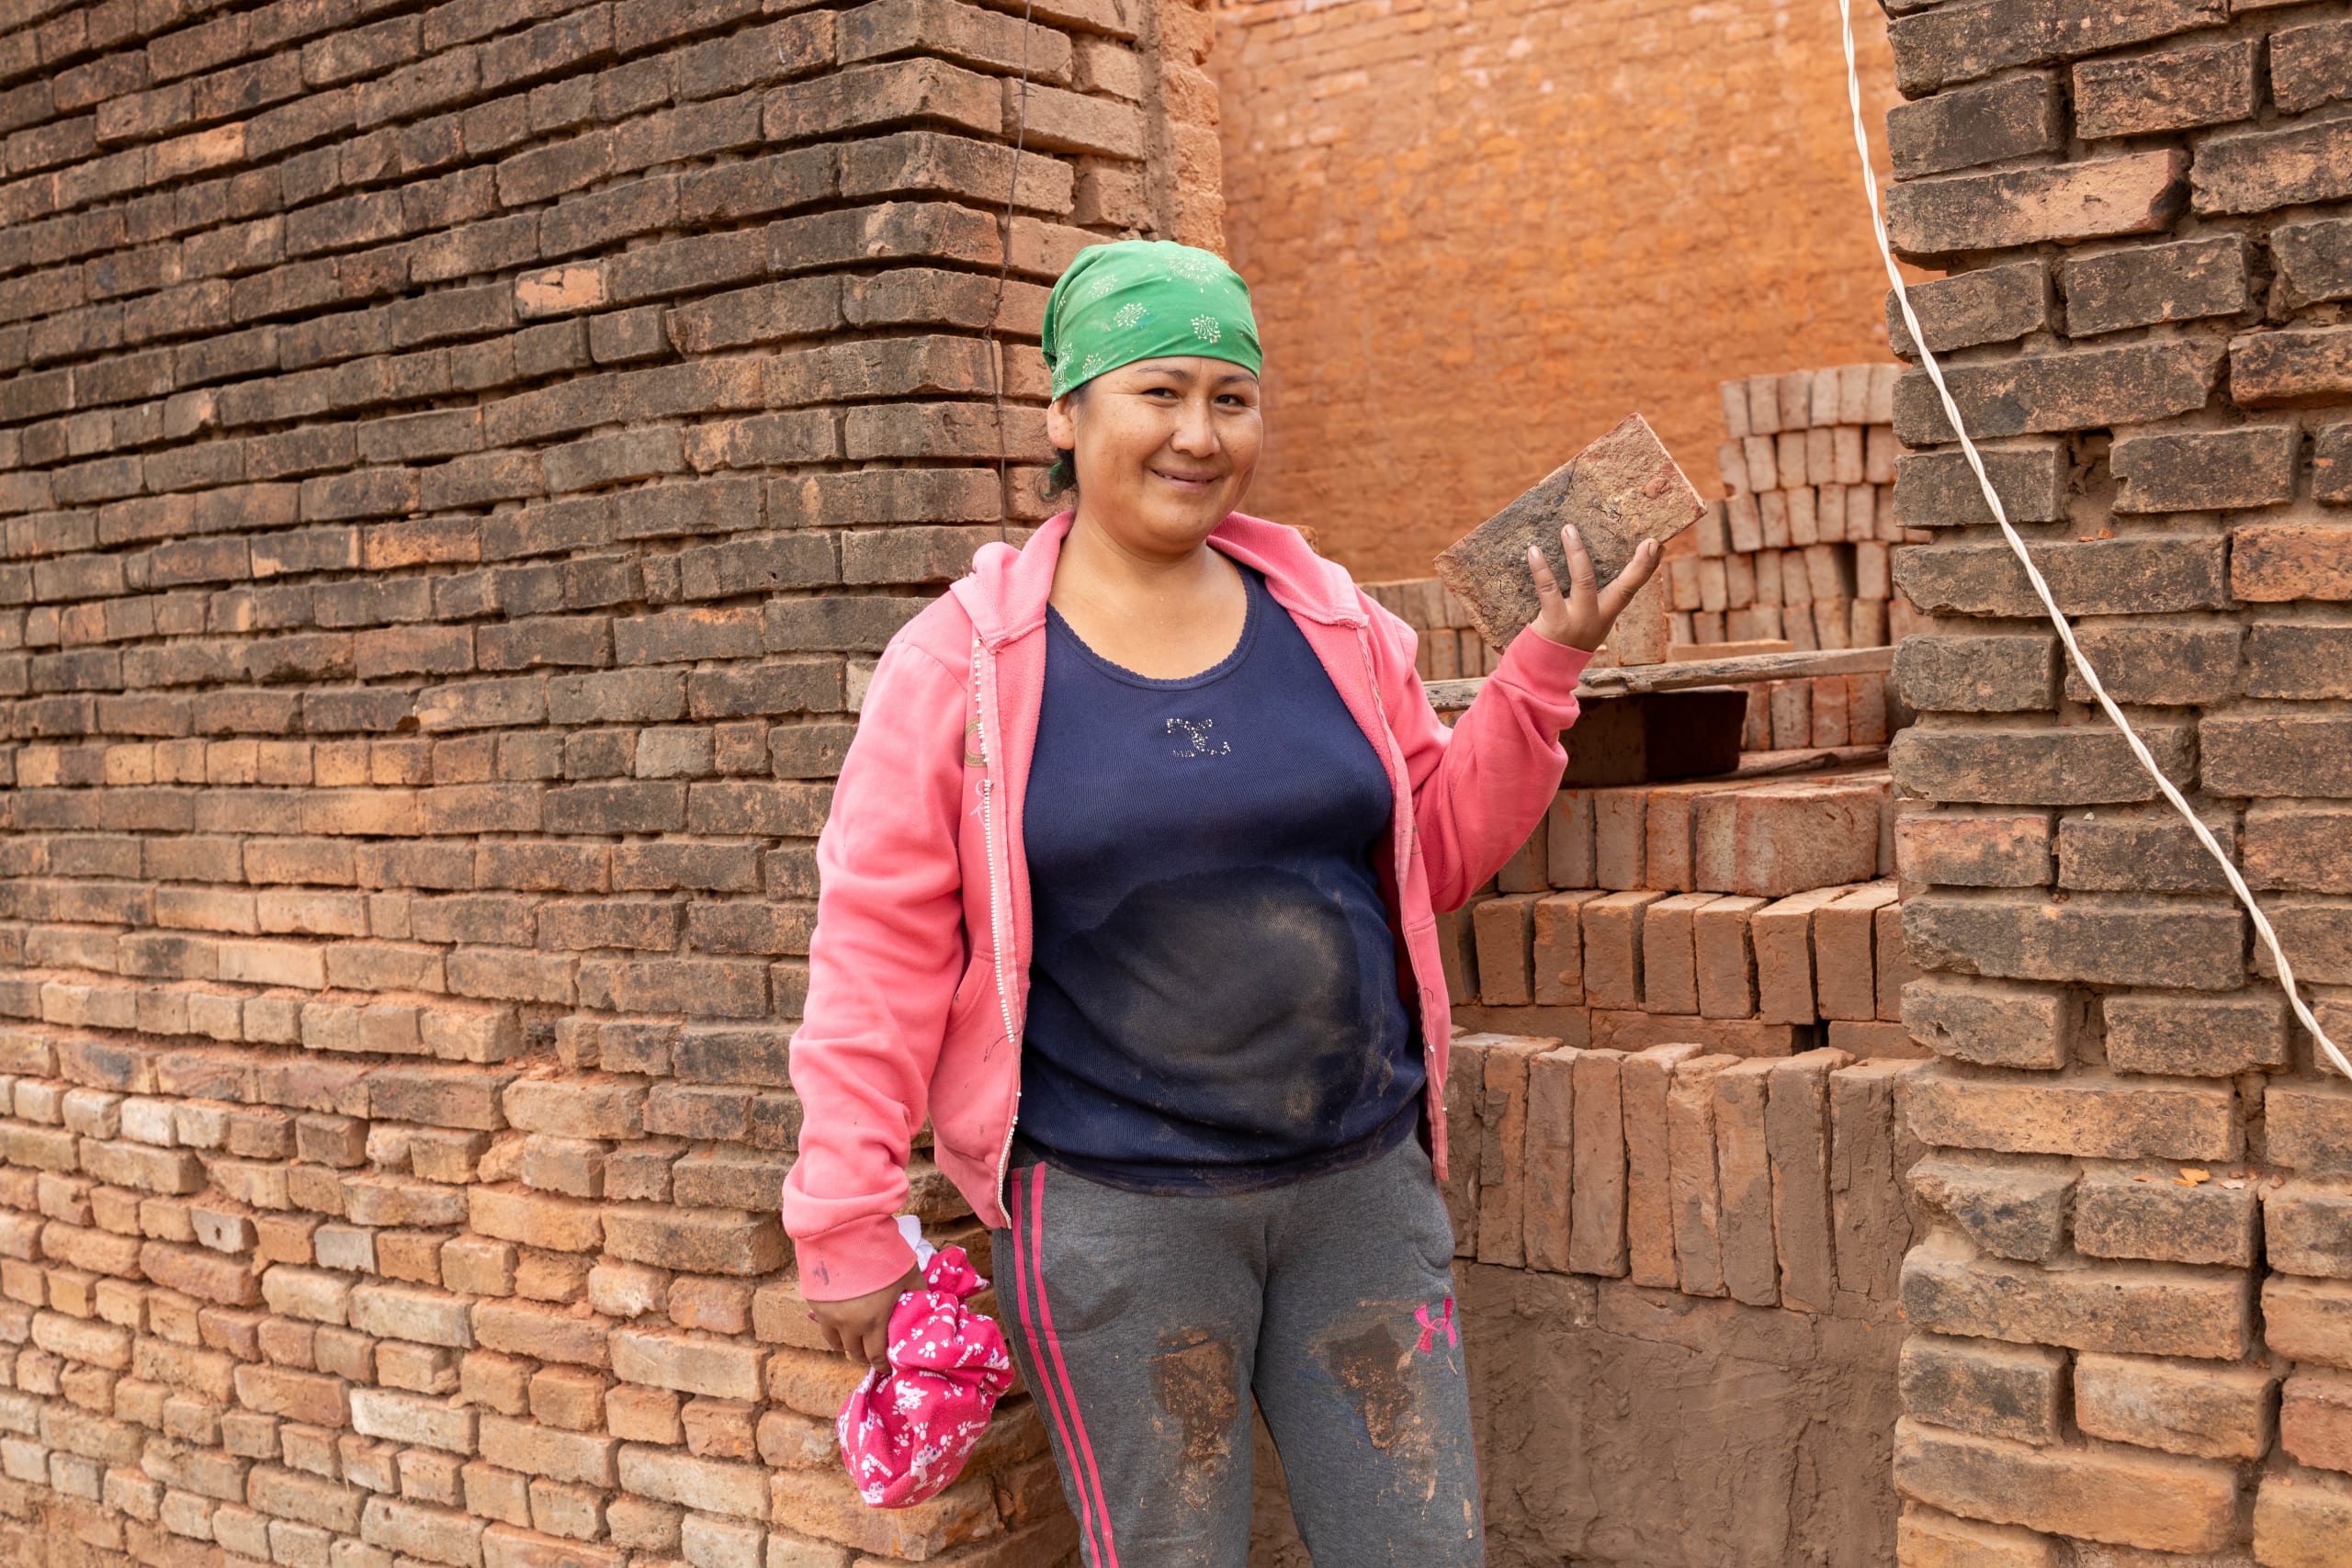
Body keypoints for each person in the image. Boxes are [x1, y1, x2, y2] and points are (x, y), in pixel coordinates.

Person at [783, 239, 1661, 1566]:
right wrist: (845, 1213)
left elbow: (1426, 858)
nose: (1200, 435)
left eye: (1232, 398)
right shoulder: (959, 667)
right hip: (1114, 1218)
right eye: (1160, 392)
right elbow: (876, 948)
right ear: (1067, 414)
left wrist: (1542, 673)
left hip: (1361, 1190)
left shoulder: (1334, 622)